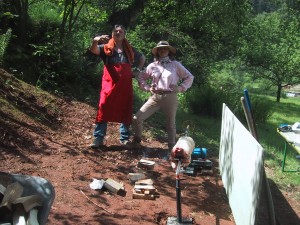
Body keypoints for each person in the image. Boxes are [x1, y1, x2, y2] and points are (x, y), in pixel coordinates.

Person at [89, 24, 145, 148]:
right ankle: (98, 138)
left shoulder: (129, 49)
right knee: (103, 105)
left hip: (125, 84)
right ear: (112, 33)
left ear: (124, 34)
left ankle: (124, 138)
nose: (118, 33)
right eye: (115, 31)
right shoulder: (106, 47)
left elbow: (142, 58)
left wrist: (137, 70)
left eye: (121, 31)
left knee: (125, 107)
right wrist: (95, 41)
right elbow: (94, 50)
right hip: (109, 82)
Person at [132, 40, 194, 150]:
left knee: (170, 124)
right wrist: (147, 87)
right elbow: (141, 77)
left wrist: (180, 88)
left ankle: (172, 148)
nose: (162, 50)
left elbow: (190, 77)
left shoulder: (175, 65)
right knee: (137, 118)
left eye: (165, 48)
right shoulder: (152, 66)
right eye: (160, 49)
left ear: (169, 51)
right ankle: (136, 141)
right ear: (157, 51)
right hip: (155, 96)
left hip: (170, 96)